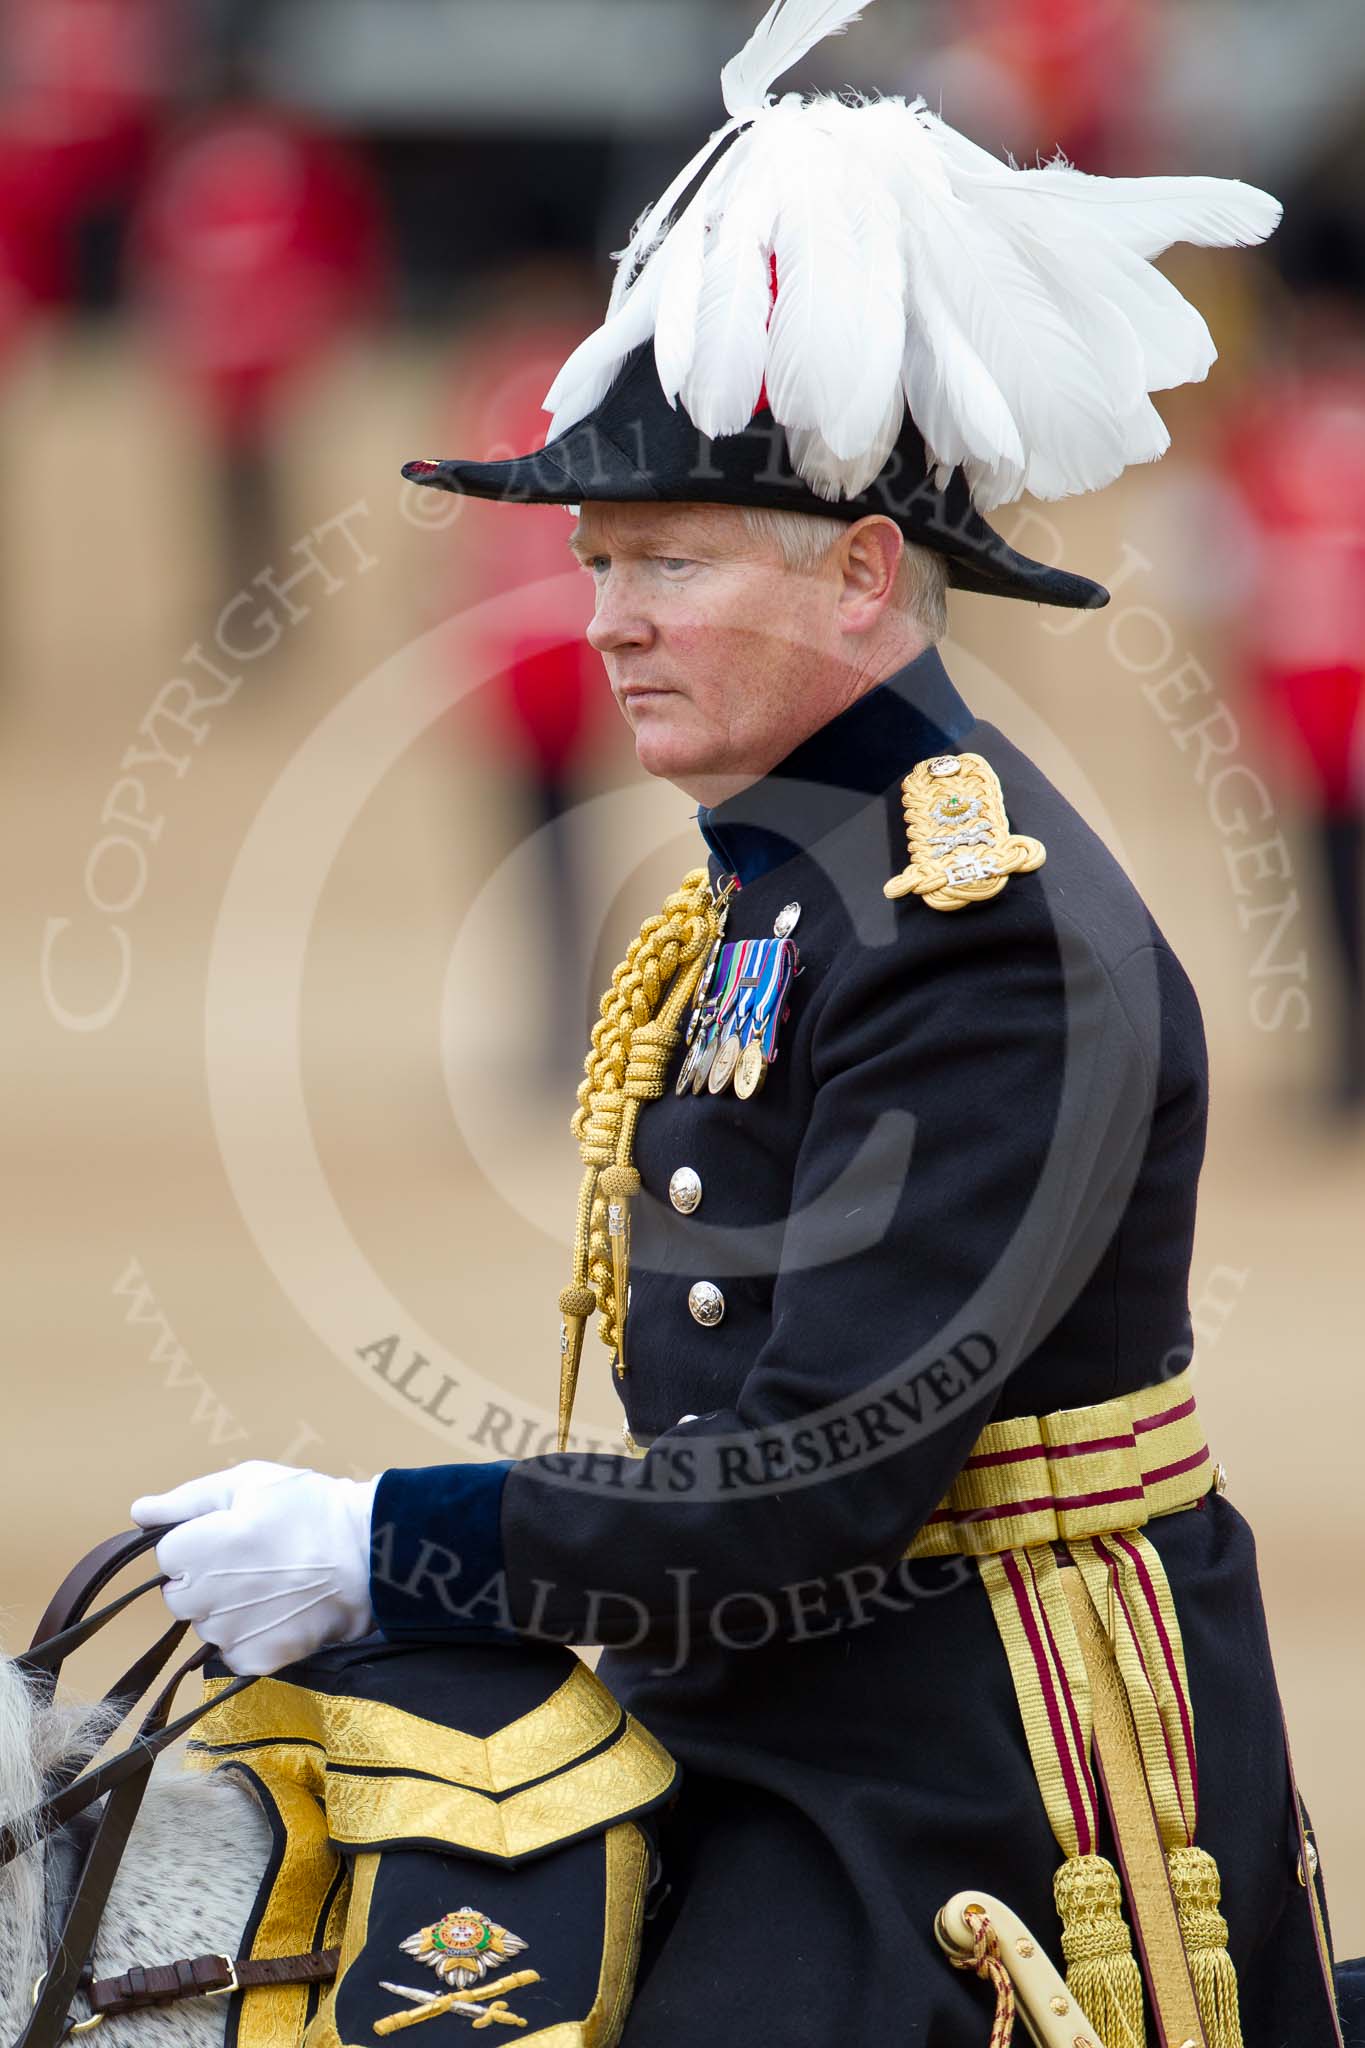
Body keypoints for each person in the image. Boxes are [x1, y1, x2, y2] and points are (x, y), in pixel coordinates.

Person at [129, 2, 1347, 2041]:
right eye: (596, 557)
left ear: (863, 576)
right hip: (776, 1684)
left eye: (666, 560)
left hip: (973, 1772)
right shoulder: (787, 874)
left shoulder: (977, 935)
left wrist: (385, 1540)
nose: (600, 612)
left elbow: (808, 1487)